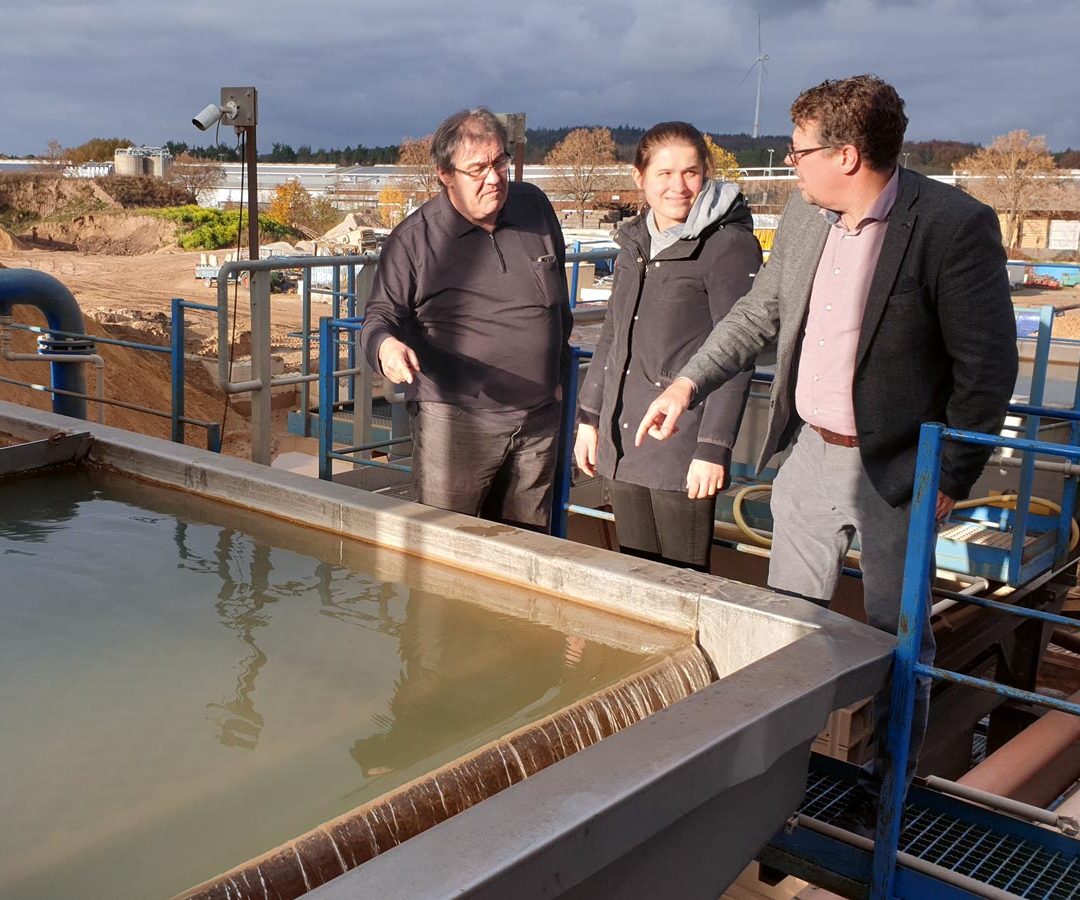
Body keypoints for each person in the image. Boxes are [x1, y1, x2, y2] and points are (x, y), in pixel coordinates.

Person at [637, 75, 1017, 811]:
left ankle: (888, 785)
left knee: (897, 638)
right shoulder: (807, 219)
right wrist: (688, 385)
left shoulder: (950, 226)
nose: (791, 161)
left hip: (901, 469)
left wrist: (954, 474)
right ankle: (777, 777)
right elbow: (757, 316)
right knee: (785, 625)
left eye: (800, 149)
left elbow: (987, 368)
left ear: (847, 155)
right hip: (812, 454)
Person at [361, 107, 573, 531]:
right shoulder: (415, 239)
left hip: (538, 419)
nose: (493, 178)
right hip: (455, 422)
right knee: (446, 543)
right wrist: (385, 347)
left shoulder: (534, 206)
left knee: (525, 547)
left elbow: (557, 303)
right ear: (445, 174)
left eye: (499, 163)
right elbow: (380, 315)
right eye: (477, 168)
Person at [573, 122, 763, 572]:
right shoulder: (634, 243)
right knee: (636, 570)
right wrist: (589, 418)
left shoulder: (728, 247)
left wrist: (713, 447)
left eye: (691, 173)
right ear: (639, 177)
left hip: (681, 440)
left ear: (707, 173)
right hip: (623, 435)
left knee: (683, 578)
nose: (679, 187)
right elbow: (613, 336)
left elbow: (737, 354)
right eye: (664, 174)